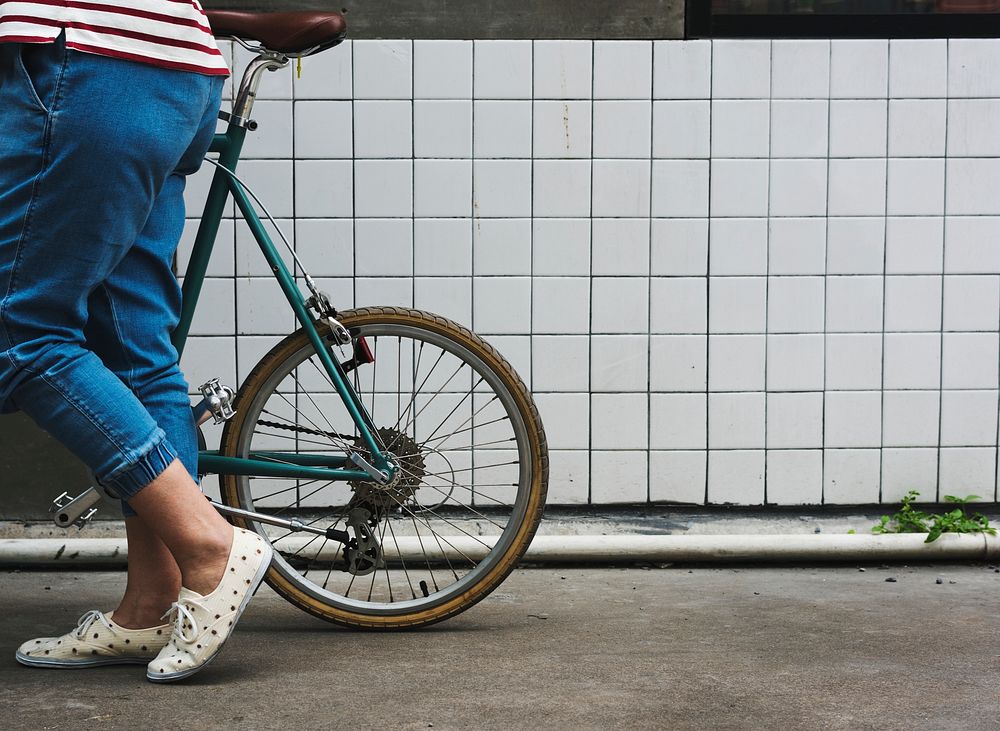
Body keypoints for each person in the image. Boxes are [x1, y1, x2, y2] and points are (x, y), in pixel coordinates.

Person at [0, 1, 272, 682]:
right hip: (176, 69)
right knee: (138, 353)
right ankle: (153, 602)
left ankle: (208, 545)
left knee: (22, 334)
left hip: (85, 63)